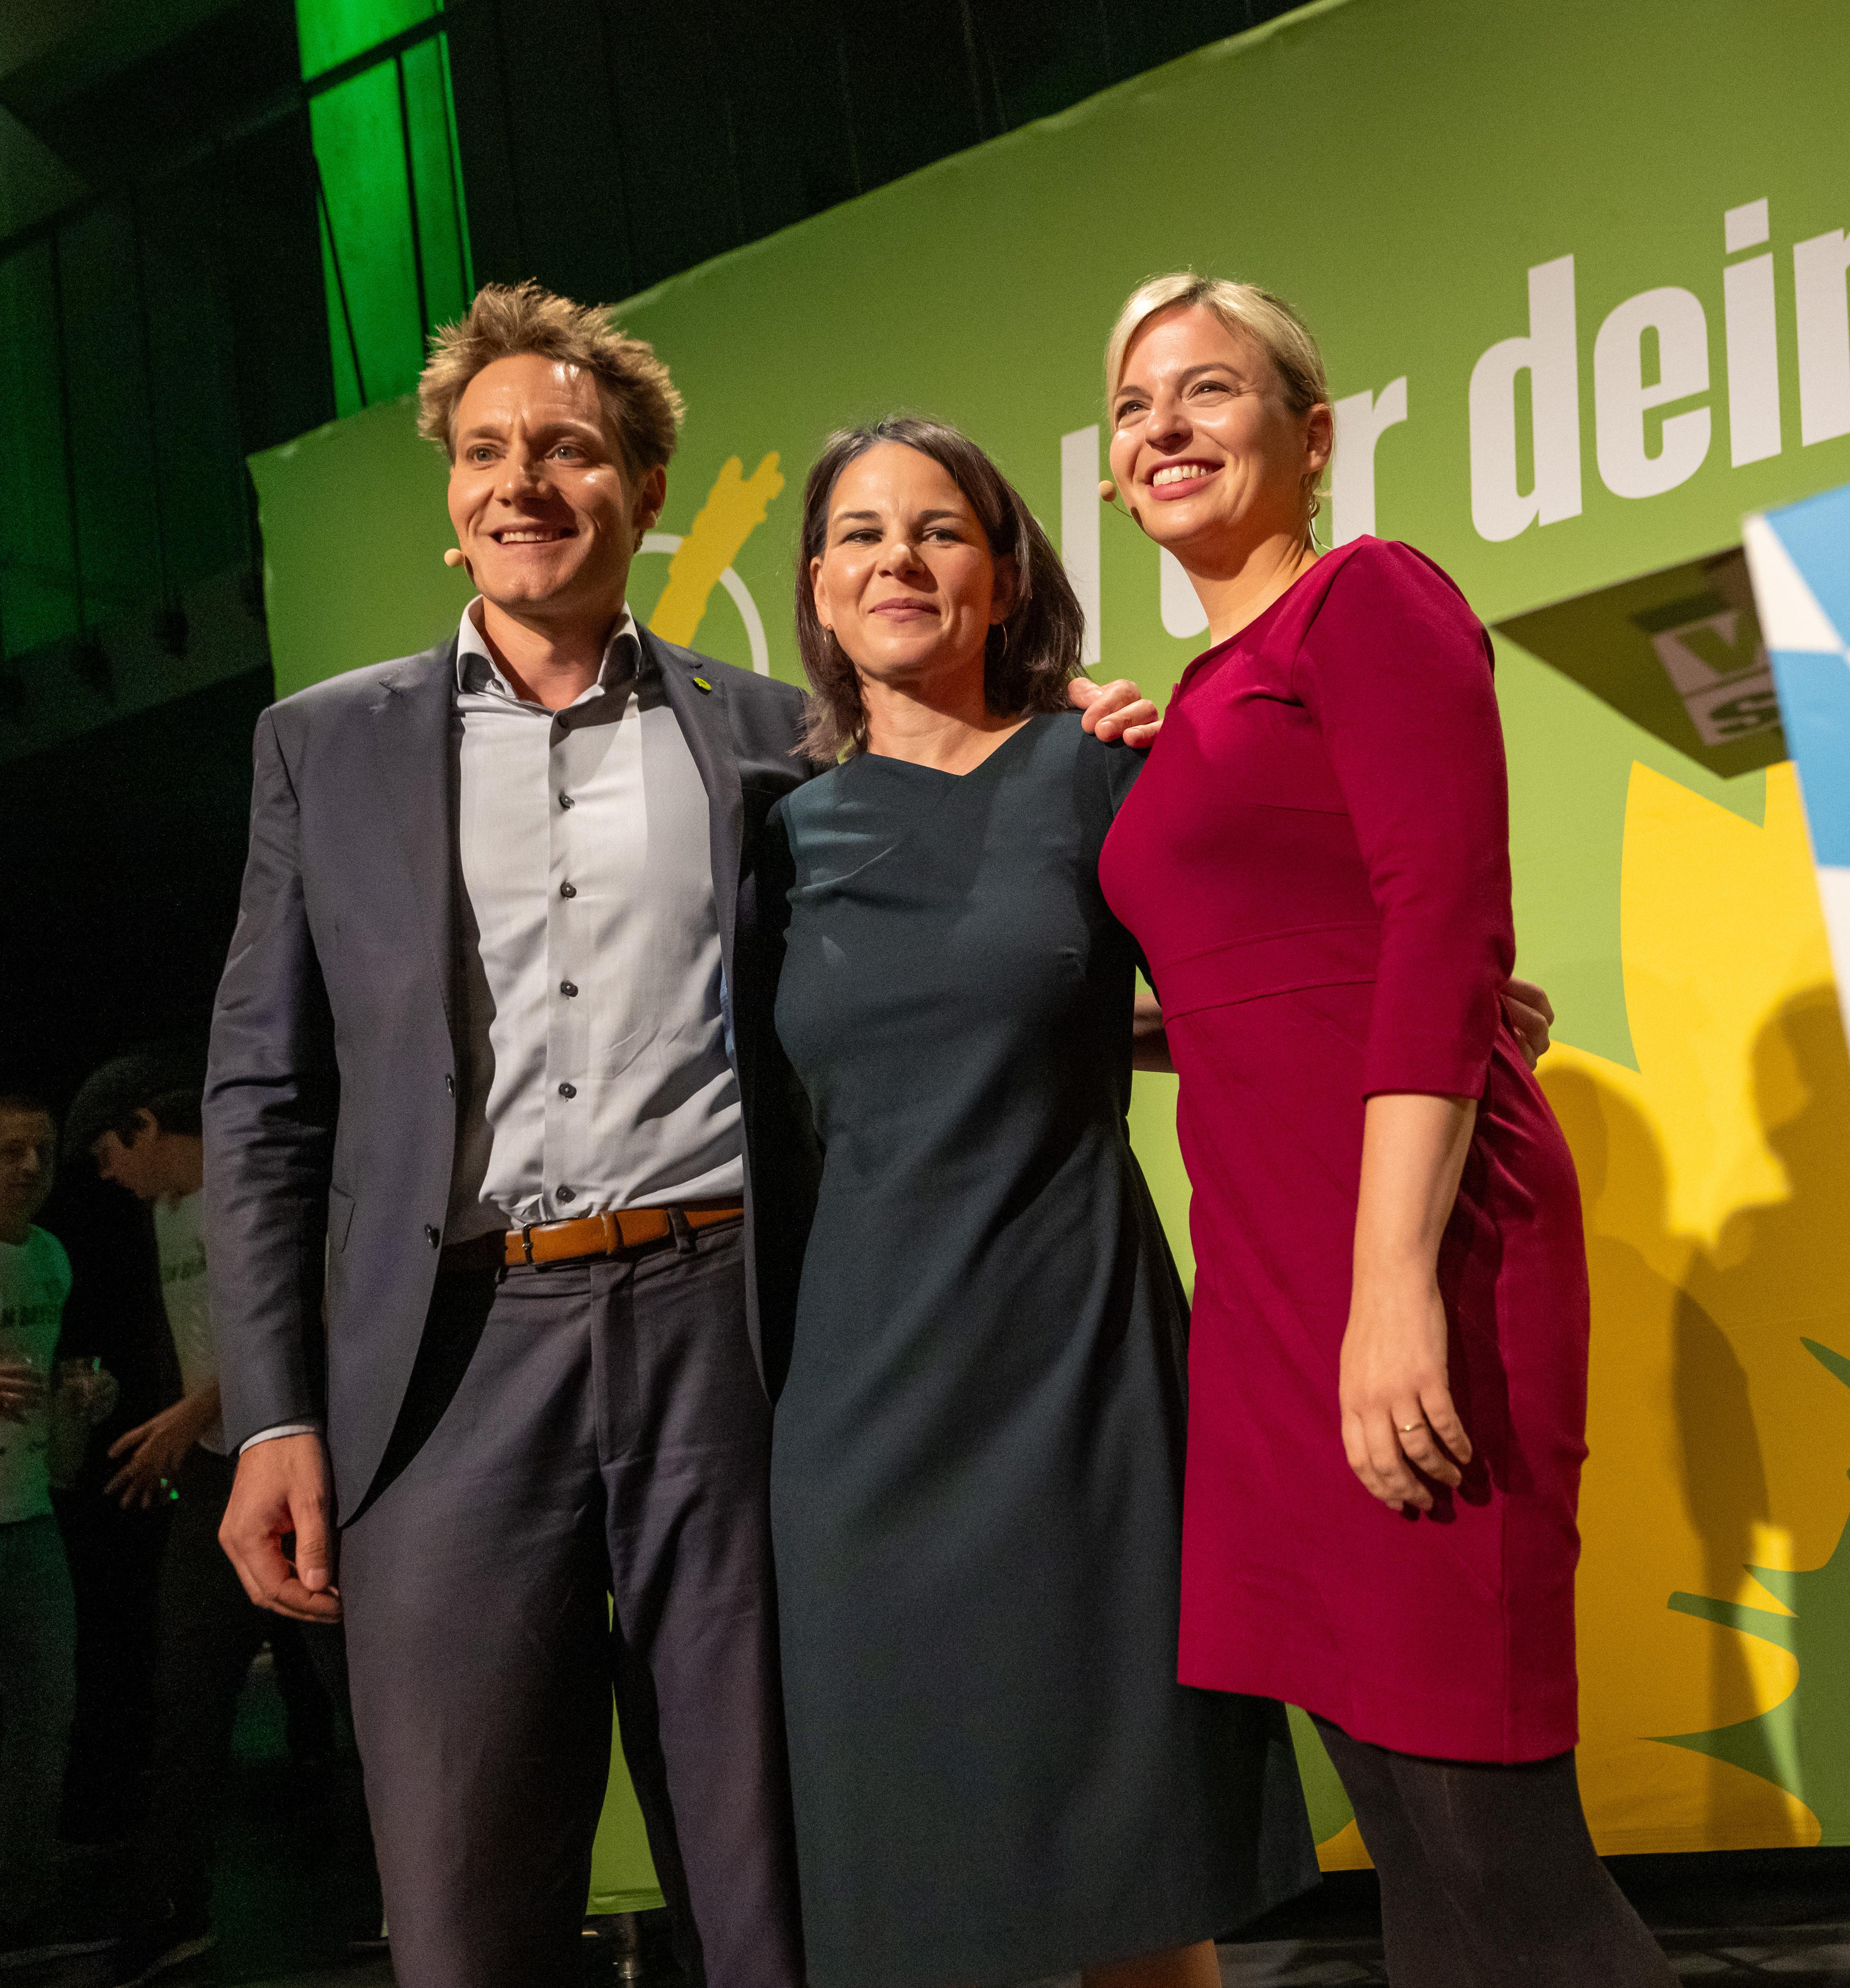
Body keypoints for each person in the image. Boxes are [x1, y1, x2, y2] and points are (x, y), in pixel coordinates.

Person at [201, 281, 1161, 1988]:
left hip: (729, 1341)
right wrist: (273, 1411)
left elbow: (951, 955)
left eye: (570, 448)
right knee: (463, 1896)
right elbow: (265, 1099)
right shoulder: (320, 747)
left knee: (769, 1881)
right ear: (449, 498)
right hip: (447, 1367)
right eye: (487, 451)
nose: (524, 482)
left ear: (642, 493)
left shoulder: (773, 738)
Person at [1094, 275, 1676, 1986]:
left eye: (1209, 391)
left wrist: (1390, 1284)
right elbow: (1241, 980)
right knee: (1406, 1847)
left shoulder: (1366, 598)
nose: (1167, 429)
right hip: (1273, 1291)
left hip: (1411, 1256)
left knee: (1500, 1856)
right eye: (1135, 410)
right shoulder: (1186, 708)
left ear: (1313, 435)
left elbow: (1441, 921)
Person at [766, 415, 1315, 1988]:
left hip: (1078, 1378)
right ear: (817, 587)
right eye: (862, 534)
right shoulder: (772, 838)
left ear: (1002, 576)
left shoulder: (1098, 768)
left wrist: (1437, 1001)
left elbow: (1240, 985)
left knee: (1129, 1875)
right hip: (861, 1407)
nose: (898, 560)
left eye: (938, 530)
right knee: (911, 1892)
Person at [69, 1046, 358, 1986]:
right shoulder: (165, 1220)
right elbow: (200, 1340)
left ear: (147, 1126)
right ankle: (170, 1908)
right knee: (186, 1695)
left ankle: (401, 1889)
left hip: (303, 1468)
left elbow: (316, 1316)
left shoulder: (260, 1185)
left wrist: (195, 1411)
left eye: (111, 1153)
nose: (110, 1177)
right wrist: (182, 1428)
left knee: (358, 1694)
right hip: (215, 1482)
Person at [0, 1094, 118, 1967]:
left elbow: (65, 1459)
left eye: (38, 1151)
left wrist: (85, 1404)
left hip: (29, 1518)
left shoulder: (48, 1258)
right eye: (8, 1152)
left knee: (45, 1720)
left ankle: (24, 1905)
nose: (28, 1169)